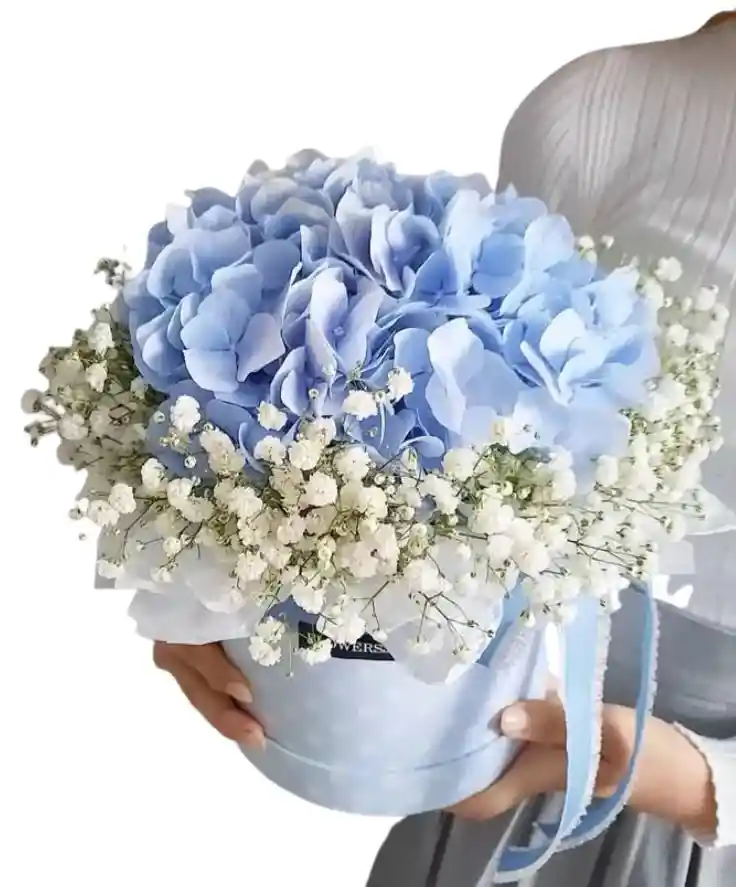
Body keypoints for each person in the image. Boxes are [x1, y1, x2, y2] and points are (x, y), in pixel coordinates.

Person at [153, 12, 736, 886]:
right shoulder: (593, 110)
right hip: (498, 797)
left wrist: (701, 779)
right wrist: (207, 582)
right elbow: (481, 448)